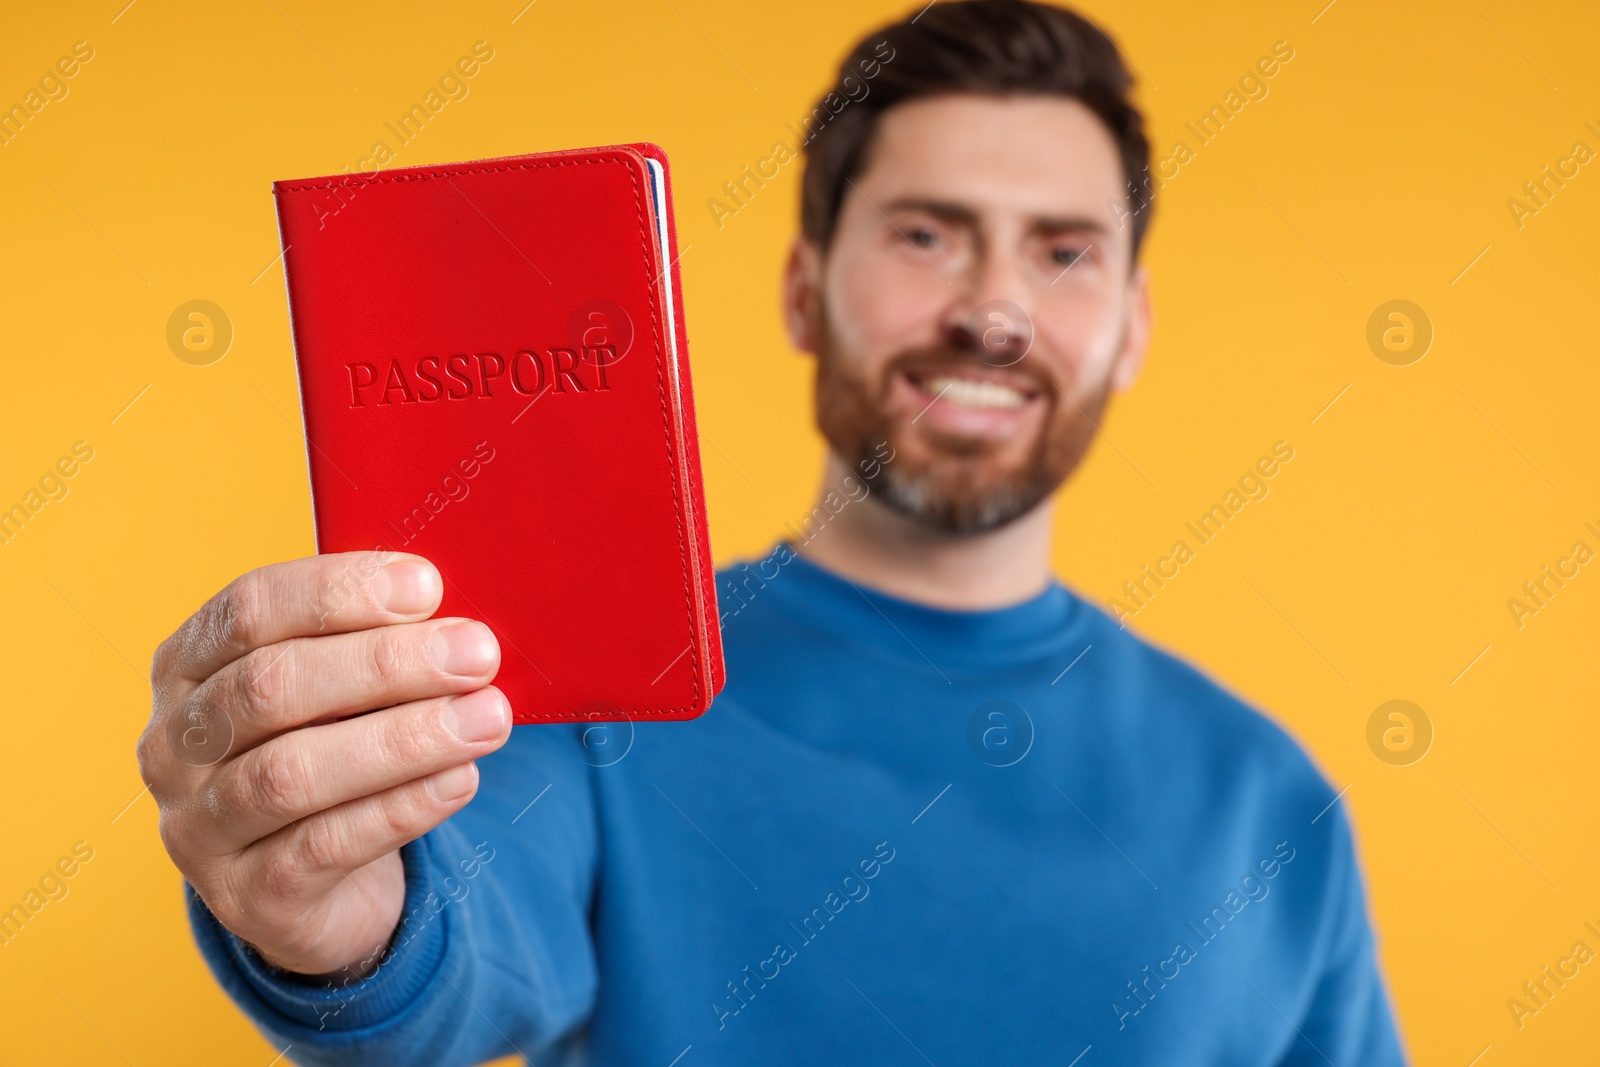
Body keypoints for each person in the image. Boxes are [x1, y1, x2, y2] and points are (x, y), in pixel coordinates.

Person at [139, 1, 1407, 1063]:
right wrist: (343, 924)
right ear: (805, 288)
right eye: (926, 235)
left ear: (1131, 326)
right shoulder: (603, 699)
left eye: (1062, 253)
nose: (994, 313)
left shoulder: (1274, 805)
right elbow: (457, 949)